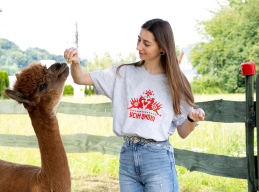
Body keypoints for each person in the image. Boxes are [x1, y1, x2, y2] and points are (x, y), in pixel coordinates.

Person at [64, 18, 205, 192]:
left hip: (158, 159)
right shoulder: (123, 73)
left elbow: (183, 132)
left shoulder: (175, 83)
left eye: (146, 43)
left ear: (162, 48)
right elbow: (80, 78)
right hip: (128, 158)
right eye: (139, 40)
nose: (138, 47)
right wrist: (75, 63)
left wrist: (191, 118)